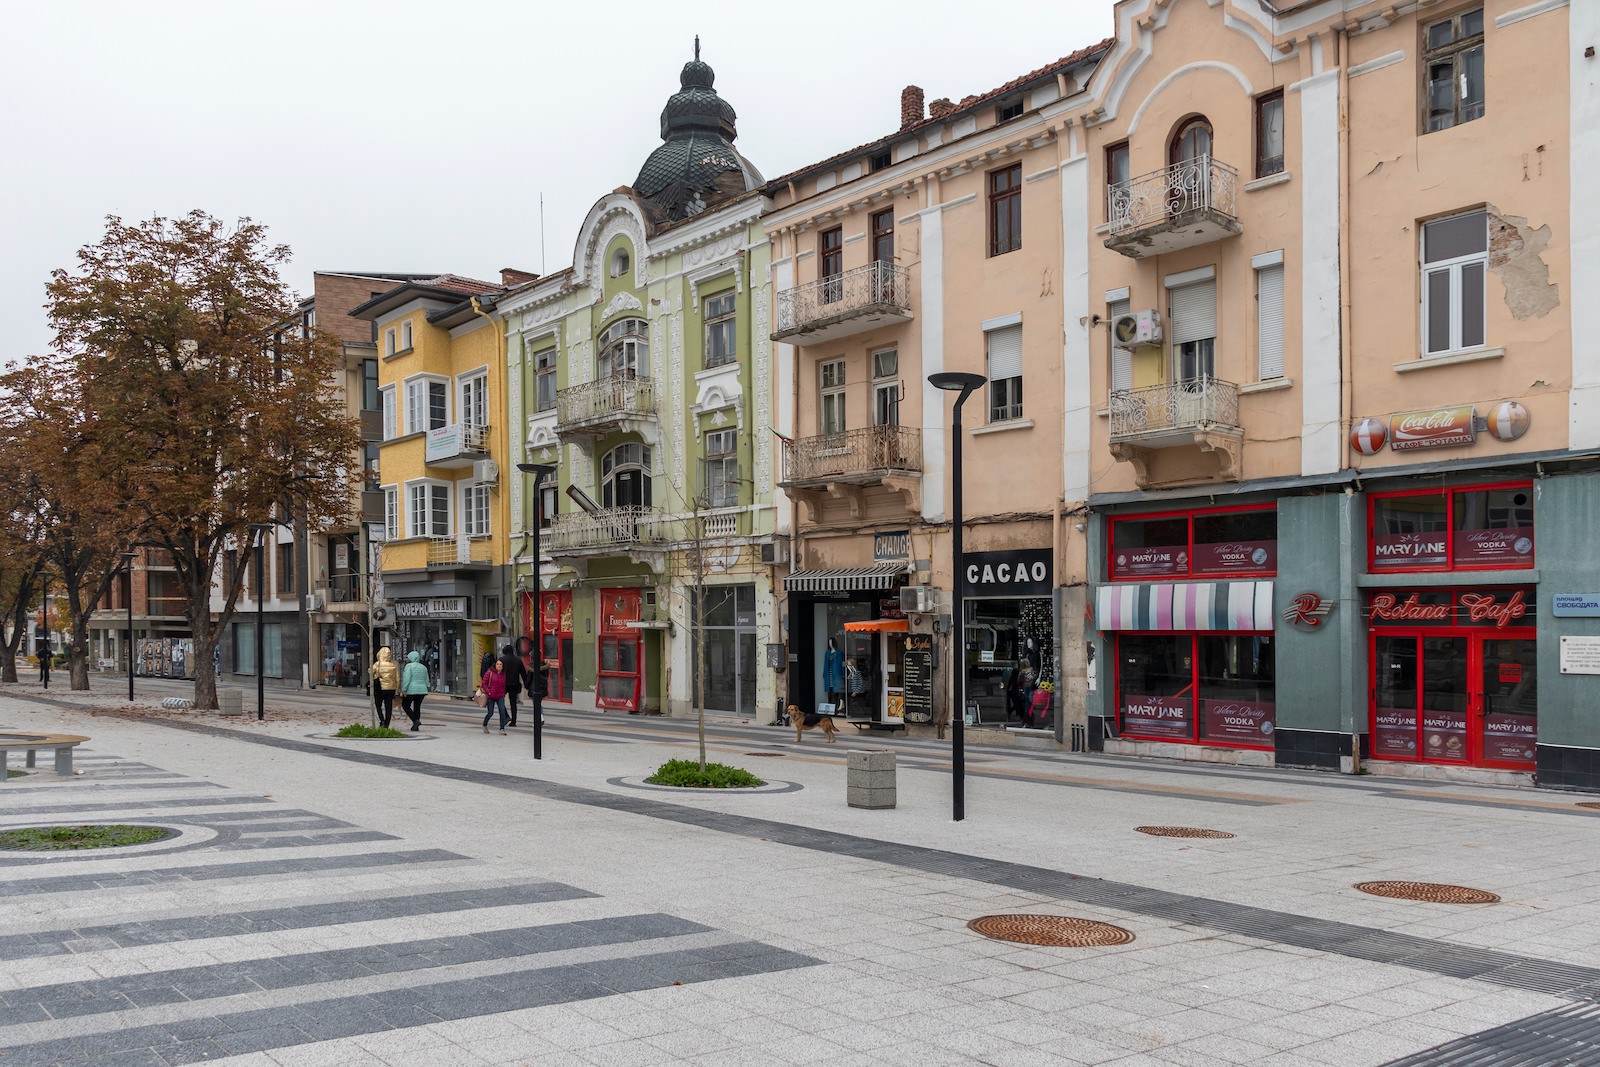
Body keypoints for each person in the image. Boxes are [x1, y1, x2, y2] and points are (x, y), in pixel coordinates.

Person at [369, 646, 400, 729]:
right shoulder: (394, 664)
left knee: (378, 705)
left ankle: (381, 721)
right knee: (388, 707)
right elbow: (398, 678)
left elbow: (370, 671)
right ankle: (387, 724)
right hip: (391, 689)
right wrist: (397, 689)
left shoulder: (377, 664)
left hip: (380, 689)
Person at [398, 650, 429, 732]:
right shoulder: (423, 667)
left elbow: (406, 679)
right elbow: (427, 680)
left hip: (411, 689)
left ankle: (415, 720)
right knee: (417, 707)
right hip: (422, 690)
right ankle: (416, 726)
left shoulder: (409, 666)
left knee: (405, 705)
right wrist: (426, 687)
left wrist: (404, 689)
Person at [480, 657, 509, 734]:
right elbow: (484, 683)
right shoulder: (490, 672)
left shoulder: (504, 674)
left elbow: (504, 685)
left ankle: (502, 729)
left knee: (502, 711)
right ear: (495, 665)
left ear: (503, 666)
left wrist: (503, 693)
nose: (499, 666)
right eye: (497, 664)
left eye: (500, 664)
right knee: (490, 712)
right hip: (491, 696)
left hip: (500, 696)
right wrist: (488, 692)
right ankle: (484, 724)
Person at [501, 644, 526, 727]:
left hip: (503, 683)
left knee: (500, 700)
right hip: (514, 683)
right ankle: (514, 721)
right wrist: (526, 684)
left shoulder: (502, 660)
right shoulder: (518, 660)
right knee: (513, 703)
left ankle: (506, 716)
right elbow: (523, 674)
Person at [823, 638, 845, 707]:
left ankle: (838, 706)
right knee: (830, 691)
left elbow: (841, 664)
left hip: (837, 674)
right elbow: (825, 664)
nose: (830, 644)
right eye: (829, 643)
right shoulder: (827, 653)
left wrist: (843, 674)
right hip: (829, 674)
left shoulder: (839, 653)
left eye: (831, 642)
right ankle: (831, 707)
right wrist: (824, 674)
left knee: (838, 690)